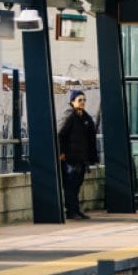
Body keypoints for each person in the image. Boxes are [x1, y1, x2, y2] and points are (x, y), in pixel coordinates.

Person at [57, 88, 98, 220]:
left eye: (84, 100)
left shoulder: (84, 116)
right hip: (70, 158)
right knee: (70, 185)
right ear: (72, 101)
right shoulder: (70, 115)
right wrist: (61, 152)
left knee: (77, 185)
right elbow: (60, 134)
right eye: (79, 100)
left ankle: (75, 210)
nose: (82, 102)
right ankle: (71, 211)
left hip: (80, 158)